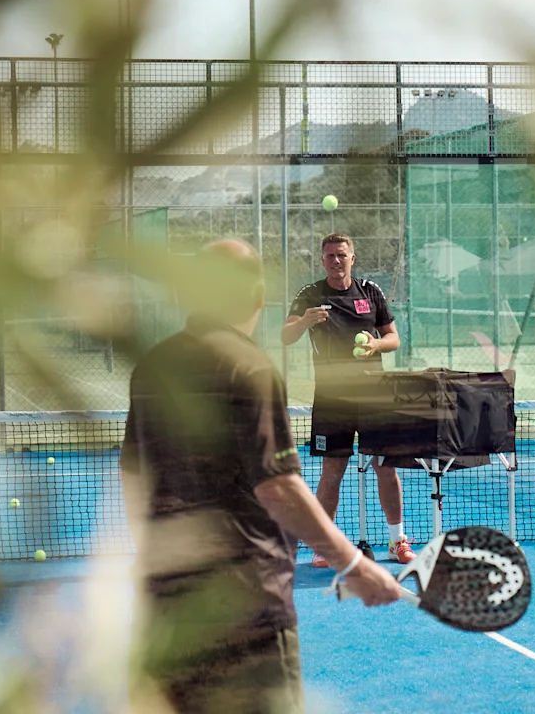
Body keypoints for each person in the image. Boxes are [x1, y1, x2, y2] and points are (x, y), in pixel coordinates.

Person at [120, 239, 401, 714]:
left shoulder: (153, 366)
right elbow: (279, 488)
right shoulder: (249, 366)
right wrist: (353, 565)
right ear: (256, 299)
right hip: (248, 603)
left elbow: (132, 475)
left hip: (168, 604)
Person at [281, 233, 416, 568]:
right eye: (329, 256)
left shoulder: (371, 291)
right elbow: (285, 336)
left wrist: (375, 346)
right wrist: (305, 321)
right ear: (323, 260)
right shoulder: (309, 295)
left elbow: (393, 338)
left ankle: (397, 541)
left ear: (352, 258)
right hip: (332, 400)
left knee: (386, 468)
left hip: (374, 397)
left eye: (341, 255)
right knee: (332, 473)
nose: (335, 261)